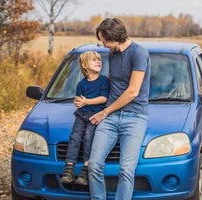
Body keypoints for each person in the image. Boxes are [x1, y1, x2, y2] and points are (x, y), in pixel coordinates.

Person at [87, 18, 151, 200]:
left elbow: (132, 91)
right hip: (111, 116)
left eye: (105, 40)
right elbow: (113, 85)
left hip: (135, 117)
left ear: (115, 37)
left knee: (126, 169)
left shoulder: (139, 53)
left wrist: (104, 112)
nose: (103, 45)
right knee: (94, 164)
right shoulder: (112, 55)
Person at [59, 51, 109, 186]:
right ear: (84, 65)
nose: (99, 62)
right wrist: (78, 102)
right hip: (81, 115)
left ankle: (84, 172)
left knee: (88, 138)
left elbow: (104, 98)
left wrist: (86, 102)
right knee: (75, 138)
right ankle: (68, 170)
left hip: (95, 116)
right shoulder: (81, 84)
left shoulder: (103, 80)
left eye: (99, 60)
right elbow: (79, 99)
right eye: (94, 60)